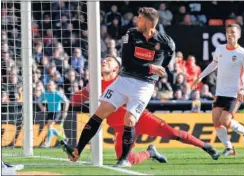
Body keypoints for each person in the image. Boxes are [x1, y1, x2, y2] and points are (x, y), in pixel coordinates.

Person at [62, 7, 176, 168]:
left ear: (149, 22)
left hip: (143, 85)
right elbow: (128, 62)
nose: (136, 19)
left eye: (140, 17)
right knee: (100, 112)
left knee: (129, 119)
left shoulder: (165, 41)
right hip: (124, 79)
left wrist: (157, 71)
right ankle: (77, 150)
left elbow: (170, 52)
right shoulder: (131, 34)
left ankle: (124, 160)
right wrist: (151, 68)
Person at [61, 56, 220, 167]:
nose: (104, 61)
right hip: (121, 129)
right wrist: (77, 93)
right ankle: (151, 153)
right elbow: (76, 100)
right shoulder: (94, 85)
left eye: (109, 60)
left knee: (174, 134)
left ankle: (205, 146)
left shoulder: (124, 80)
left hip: (140, 119)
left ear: (117, 68)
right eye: (104, 59)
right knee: (126, 159)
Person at [193, 24, 244, 155]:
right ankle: (229, 148)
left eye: (233, 32)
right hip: (220, 92)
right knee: (216, 121)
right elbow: (214, 64)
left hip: (235, 93)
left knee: (225, 120)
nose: (230, 35)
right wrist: (200, 77)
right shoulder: (220, 49)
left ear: (239, 35)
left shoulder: (243, 53)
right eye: (228, 32)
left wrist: (243, 89)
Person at [38, 80, 70, 147]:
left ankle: (48, 142)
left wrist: (65, 112)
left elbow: (66, 101)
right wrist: (42, 107)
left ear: (54, 86)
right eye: (48, 85)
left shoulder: (57, 93)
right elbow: (39, 101)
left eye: (50, 85)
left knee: (50, 126)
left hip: (57, 112)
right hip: (50, 112)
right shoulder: (46, 93)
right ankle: (63, 138)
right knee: (50, 127)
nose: (49, 86)